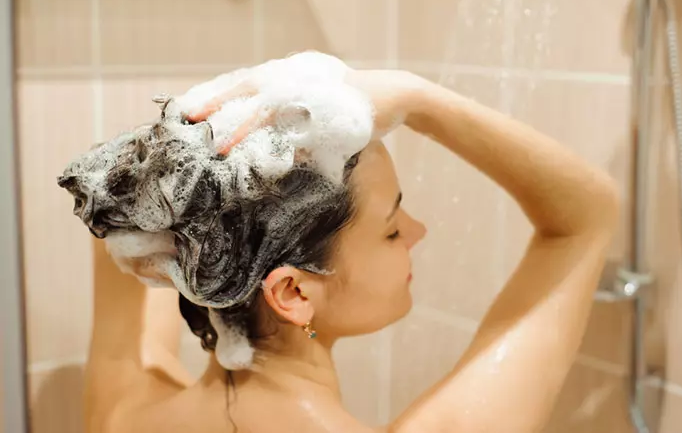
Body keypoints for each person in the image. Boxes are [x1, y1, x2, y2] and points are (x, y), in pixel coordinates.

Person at [83, 65, 619, 433]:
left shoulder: (126, 412)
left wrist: (198, 181)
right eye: (390, 229)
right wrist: (416, 97)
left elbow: (125, 229)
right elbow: (584, 217)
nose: (417, 231)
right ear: (292, 292)